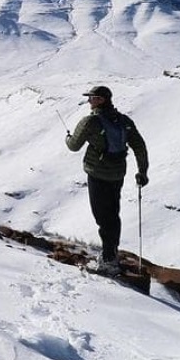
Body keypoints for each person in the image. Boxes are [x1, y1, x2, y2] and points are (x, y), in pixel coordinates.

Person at [65, 85, 149, 275]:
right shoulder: (124, 121)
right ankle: (111, 253)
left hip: (98, 174)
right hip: (118, 174)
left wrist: (68, 138)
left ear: (101, 100)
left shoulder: (90, 122)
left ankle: (108, 261)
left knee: (102, 217)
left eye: (92, 98)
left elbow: (73, 146)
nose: (89, 101)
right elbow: (139, 146)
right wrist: (142, 172)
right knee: (113, 214)